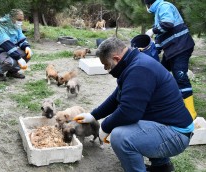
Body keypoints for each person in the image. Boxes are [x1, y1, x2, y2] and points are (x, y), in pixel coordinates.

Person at [73, 37, 194, 172]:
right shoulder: (134, 63)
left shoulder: (139, 69)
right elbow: (116, 97)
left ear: (116, 59)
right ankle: (162, 166)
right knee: (131, 121)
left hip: (176, 134)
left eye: (107, 65)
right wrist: (93, 115)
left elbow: (129, 112)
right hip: (167, 125)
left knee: (120, 137)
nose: (107, 69)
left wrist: (105, 127)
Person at [144, 0, 197, 120]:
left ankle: (191, 113)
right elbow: (161, 36)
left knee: (180, 77)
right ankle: (171, 104)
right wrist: (154, 49)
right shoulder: (158, 11)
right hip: (172, 49)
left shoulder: (164, 6)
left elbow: (168, 24)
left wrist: (152, 30)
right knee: (162, 73)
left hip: (181, 47)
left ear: (149, 4)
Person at [0, 9, 33, 81]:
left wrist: (26, 46)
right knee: (10, 62)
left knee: (27, 54)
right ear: (12, 17)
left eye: (22, 20)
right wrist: (18, 58)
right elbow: (6, 44)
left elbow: (21, 38)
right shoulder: (0, 26)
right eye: (19, 19)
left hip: (9, 50)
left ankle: (12, 72)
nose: (20, 22)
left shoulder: (15, 25)